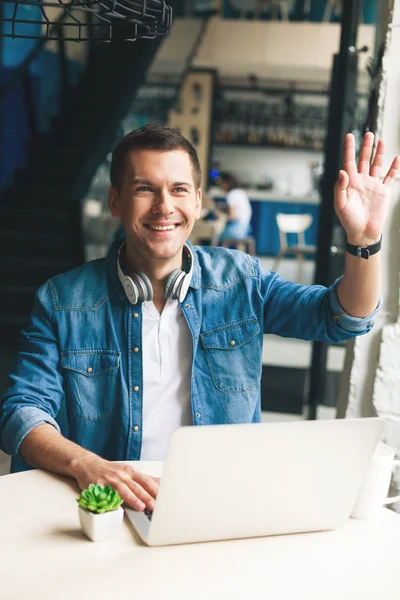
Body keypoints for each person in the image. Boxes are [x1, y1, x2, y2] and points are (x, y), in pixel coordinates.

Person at [0, 124, 398, 513]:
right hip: (108, 507)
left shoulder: (241, 279)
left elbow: (341, 317)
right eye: (144, 189)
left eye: (178, 190)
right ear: (115, 201)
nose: (164, 207)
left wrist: (363, 242)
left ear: (197, 200)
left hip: (218, 500)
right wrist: (87, 464)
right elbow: (22, 410)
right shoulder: (62, 300)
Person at [218, 172, 252, 241]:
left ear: (227, 183)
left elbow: (232, 216)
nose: (219, 185)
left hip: (236, 230)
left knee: (213, 234)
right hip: (246, 229)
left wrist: (219, 215)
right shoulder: (241, 192)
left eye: (221, 182)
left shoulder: (232, 194)